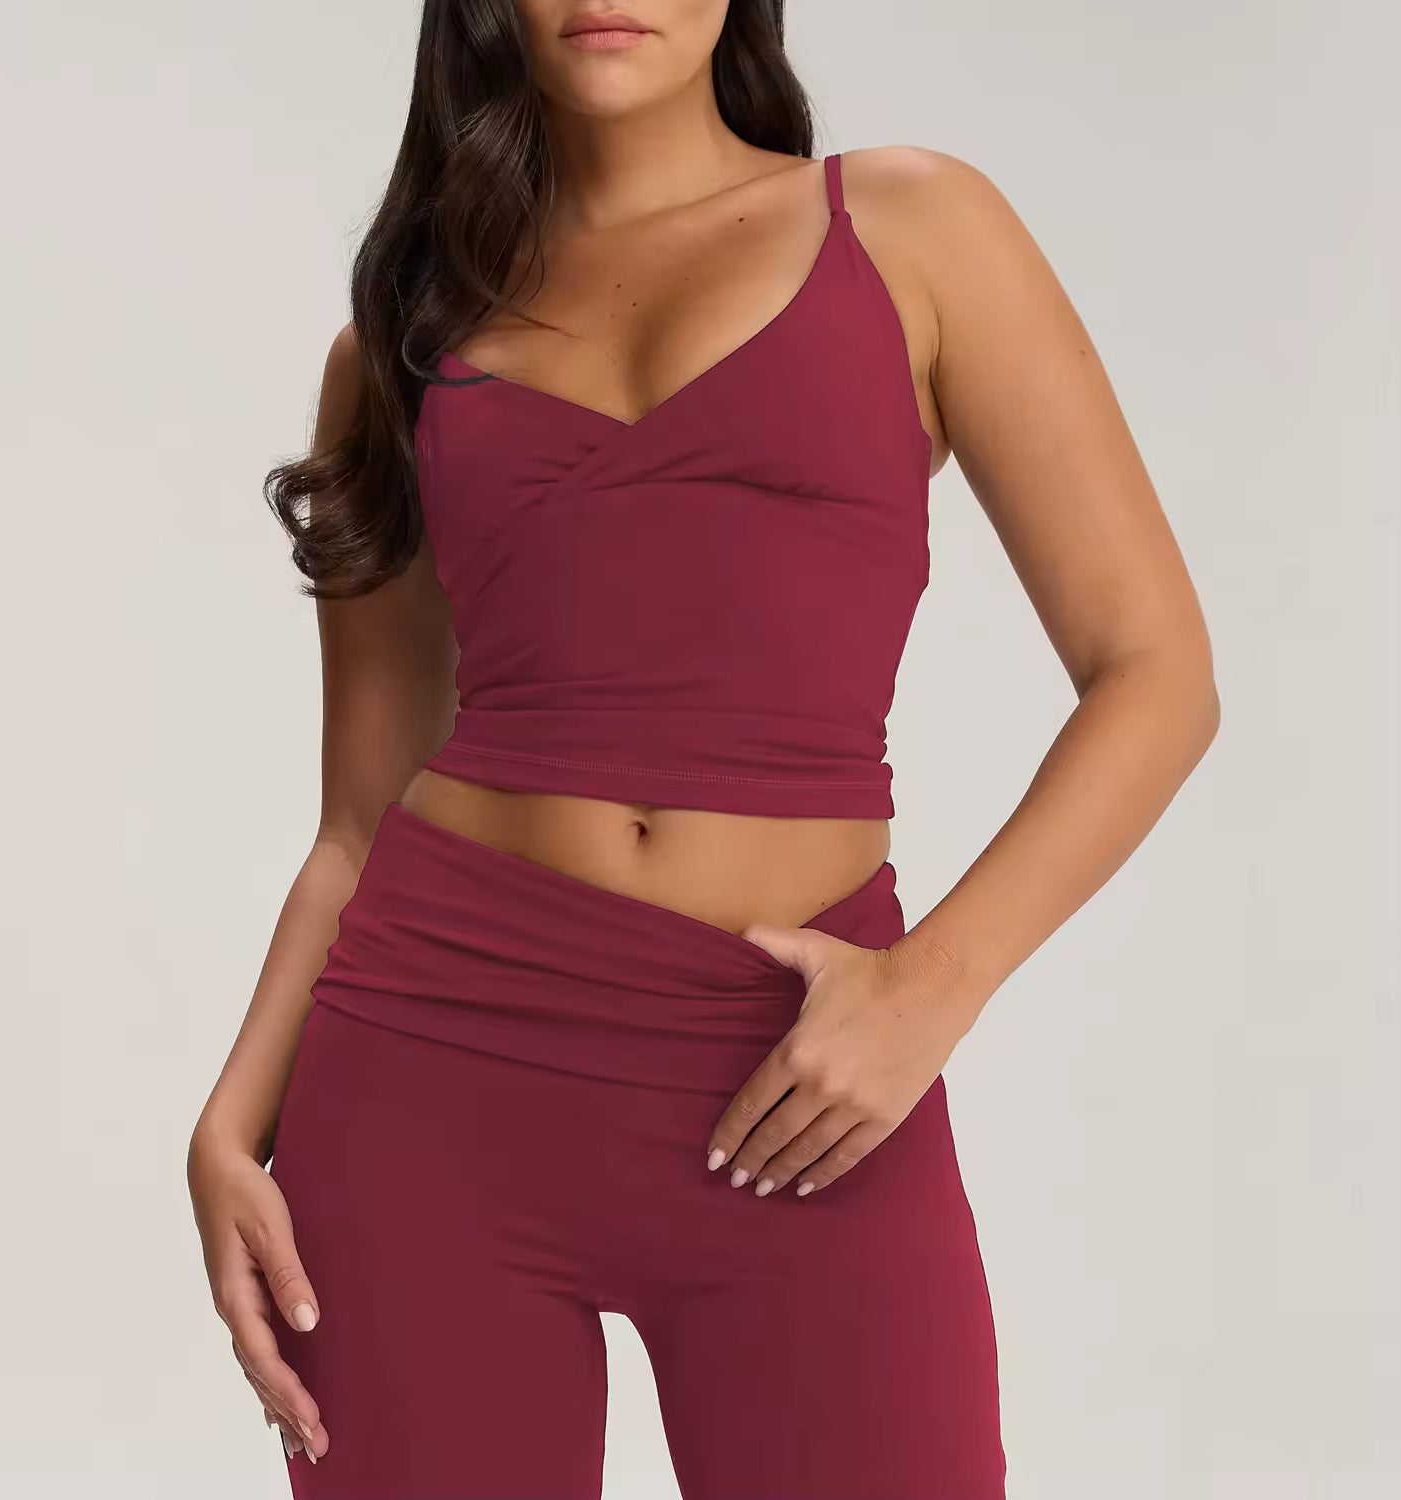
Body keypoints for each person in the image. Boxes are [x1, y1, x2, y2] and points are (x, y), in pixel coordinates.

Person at [186, 3, 1220, 1496]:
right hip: (427, 1077)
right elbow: (355, 823)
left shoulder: (913, 229)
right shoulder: (405, 338)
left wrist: (933, 987)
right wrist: (230, 1126)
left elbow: (1155, 672)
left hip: (802, 1079)